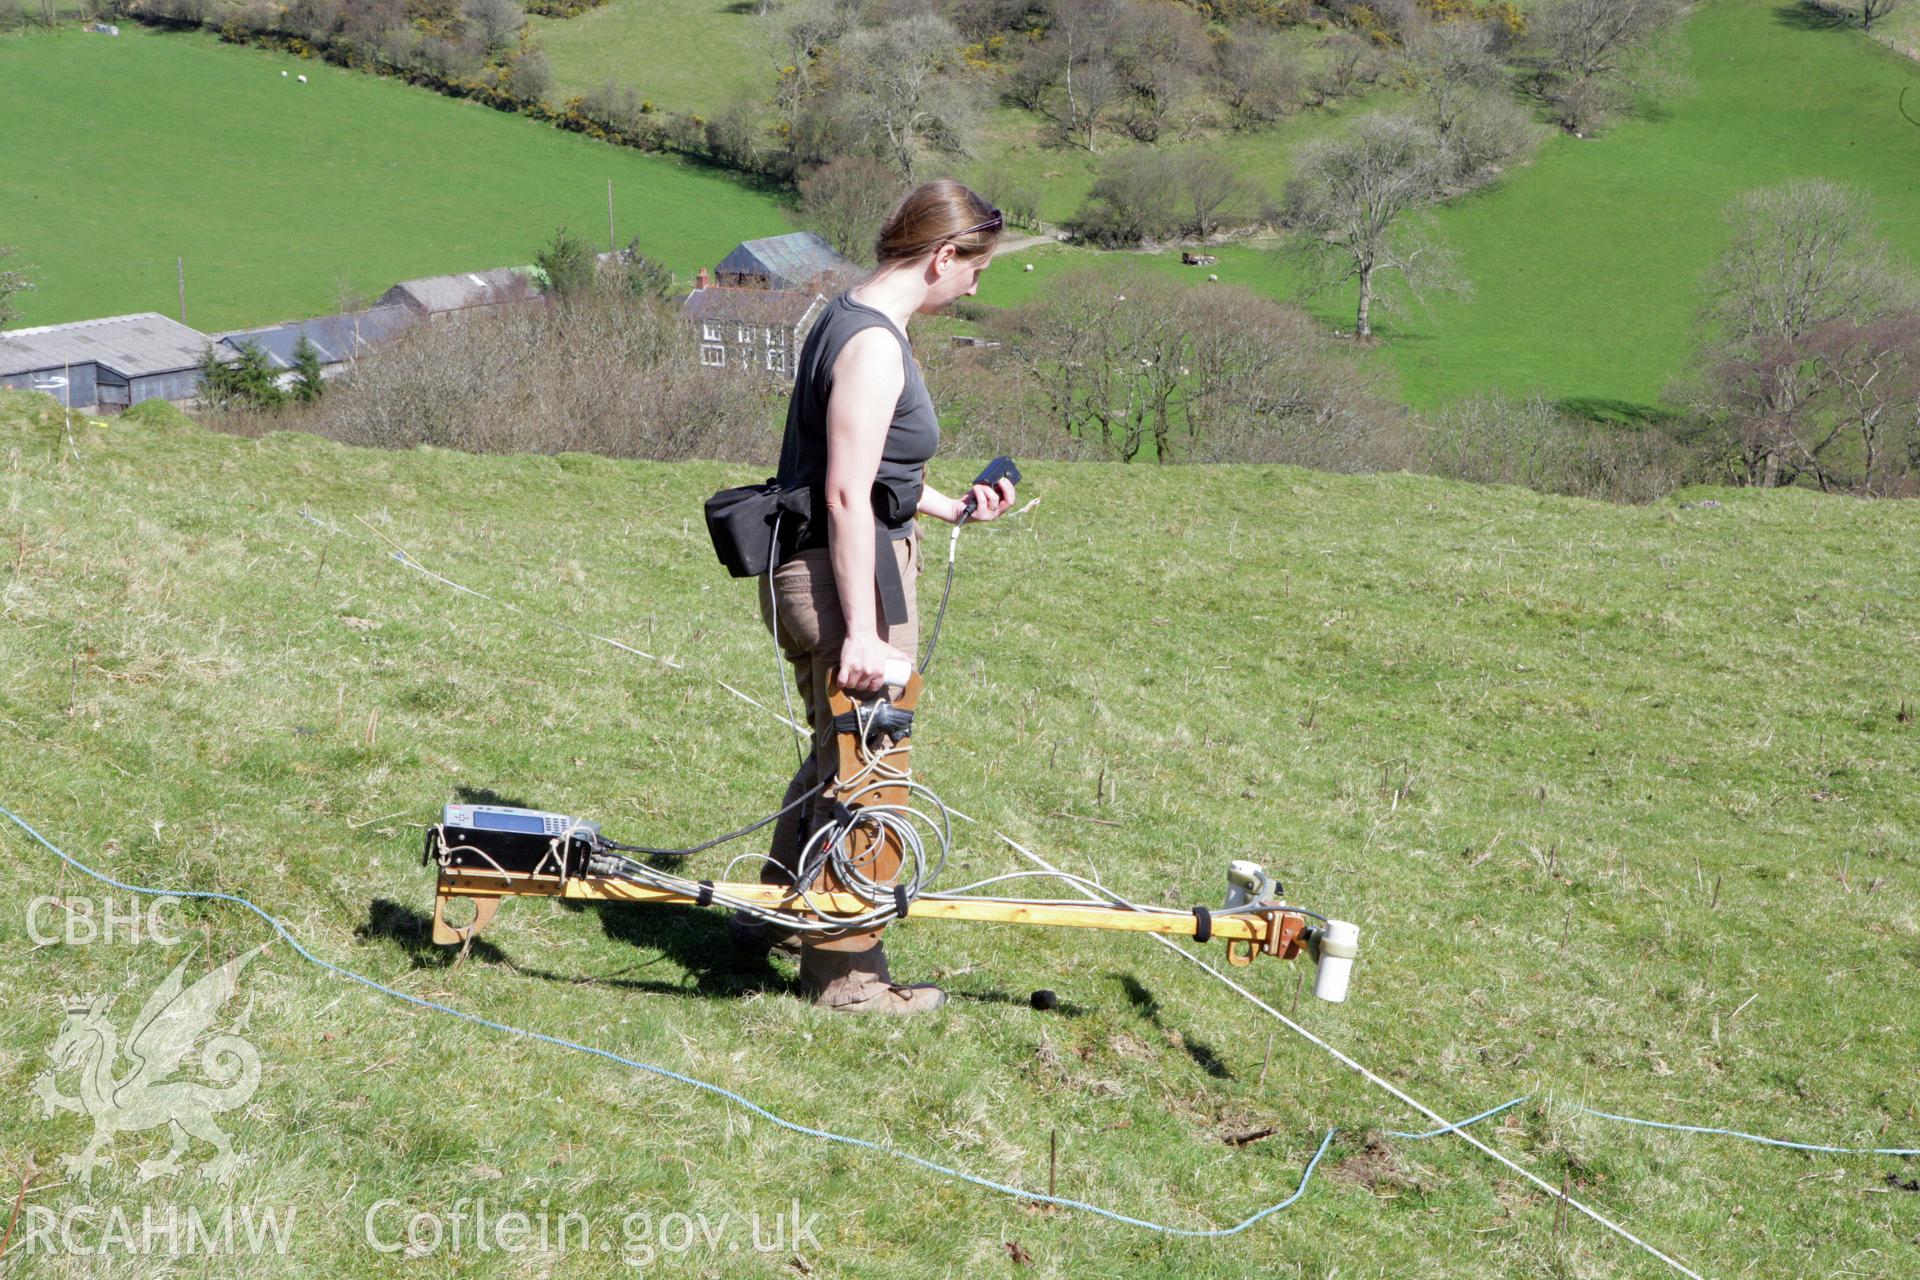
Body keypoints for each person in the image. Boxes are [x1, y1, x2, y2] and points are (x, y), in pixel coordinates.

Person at [737, 180, 1018, 1015]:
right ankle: (849, 981)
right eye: (976, 269)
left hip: (840, 565)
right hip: (841, 579)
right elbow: (845, 496)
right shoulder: (872, 344)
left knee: (840, 750)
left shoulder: (852, 315)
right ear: (942, 257)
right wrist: (863, 630)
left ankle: (780, 917)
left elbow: (878, 474)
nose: (977, 286)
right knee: (869, 767)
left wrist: (952, 506)